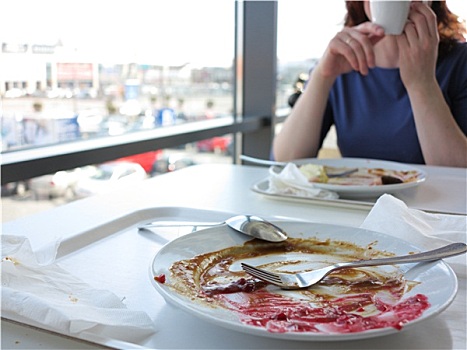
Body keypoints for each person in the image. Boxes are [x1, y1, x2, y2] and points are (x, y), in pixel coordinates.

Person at [273, 1, 467, 167]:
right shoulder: (343, 62)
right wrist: (322, 77)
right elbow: (285, 162)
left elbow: (459, 178)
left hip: (432, 210)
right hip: (357, 208)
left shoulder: (460, 62)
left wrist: (422, 84)